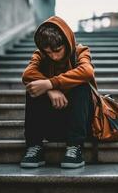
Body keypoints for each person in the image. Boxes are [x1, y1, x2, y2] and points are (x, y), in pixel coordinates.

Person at [20, 16, 97, 169]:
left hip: (80, 124)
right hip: (52, 121)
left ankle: (74, 148)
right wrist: (51, 90)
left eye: (57, 50)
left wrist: (50, 83)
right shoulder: (40, 55)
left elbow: (87, 72)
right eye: (49, 52)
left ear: (66, 43)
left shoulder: (80, 51)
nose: (53, 56)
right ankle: (34, 146)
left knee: (82, 86)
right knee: (34, 89)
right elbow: (27, 74)